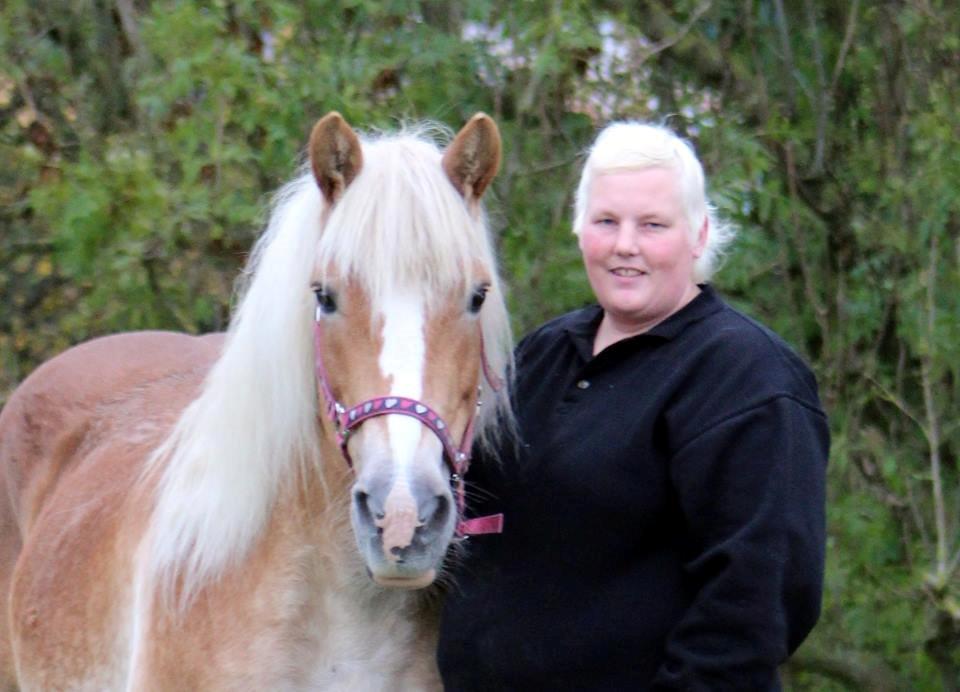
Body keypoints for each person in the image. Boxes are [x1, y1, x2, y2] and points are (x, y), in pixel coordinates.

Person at [436, 121, 829, 690]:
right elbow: (471, 514)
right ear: (579, 232)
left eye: (652, 225)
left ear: (698, 236)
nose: (626, 245)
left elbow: (755, 603)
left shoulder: (747, 378)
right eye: (606, 222)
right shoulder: (543, 354)